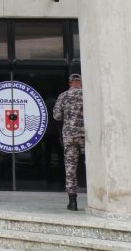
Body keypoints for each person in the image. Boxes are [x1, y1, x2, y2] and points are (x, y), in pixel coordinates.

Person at [53, 73, 84, 211]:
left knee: (70, 168)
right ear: (81, 83)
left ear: (70, 83)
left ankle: (73, 202)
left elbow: (57, 116)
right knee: (94, 166)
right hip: (88, 136)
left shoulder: (63, 96)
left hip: (70, 136)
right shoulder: (88, 95)